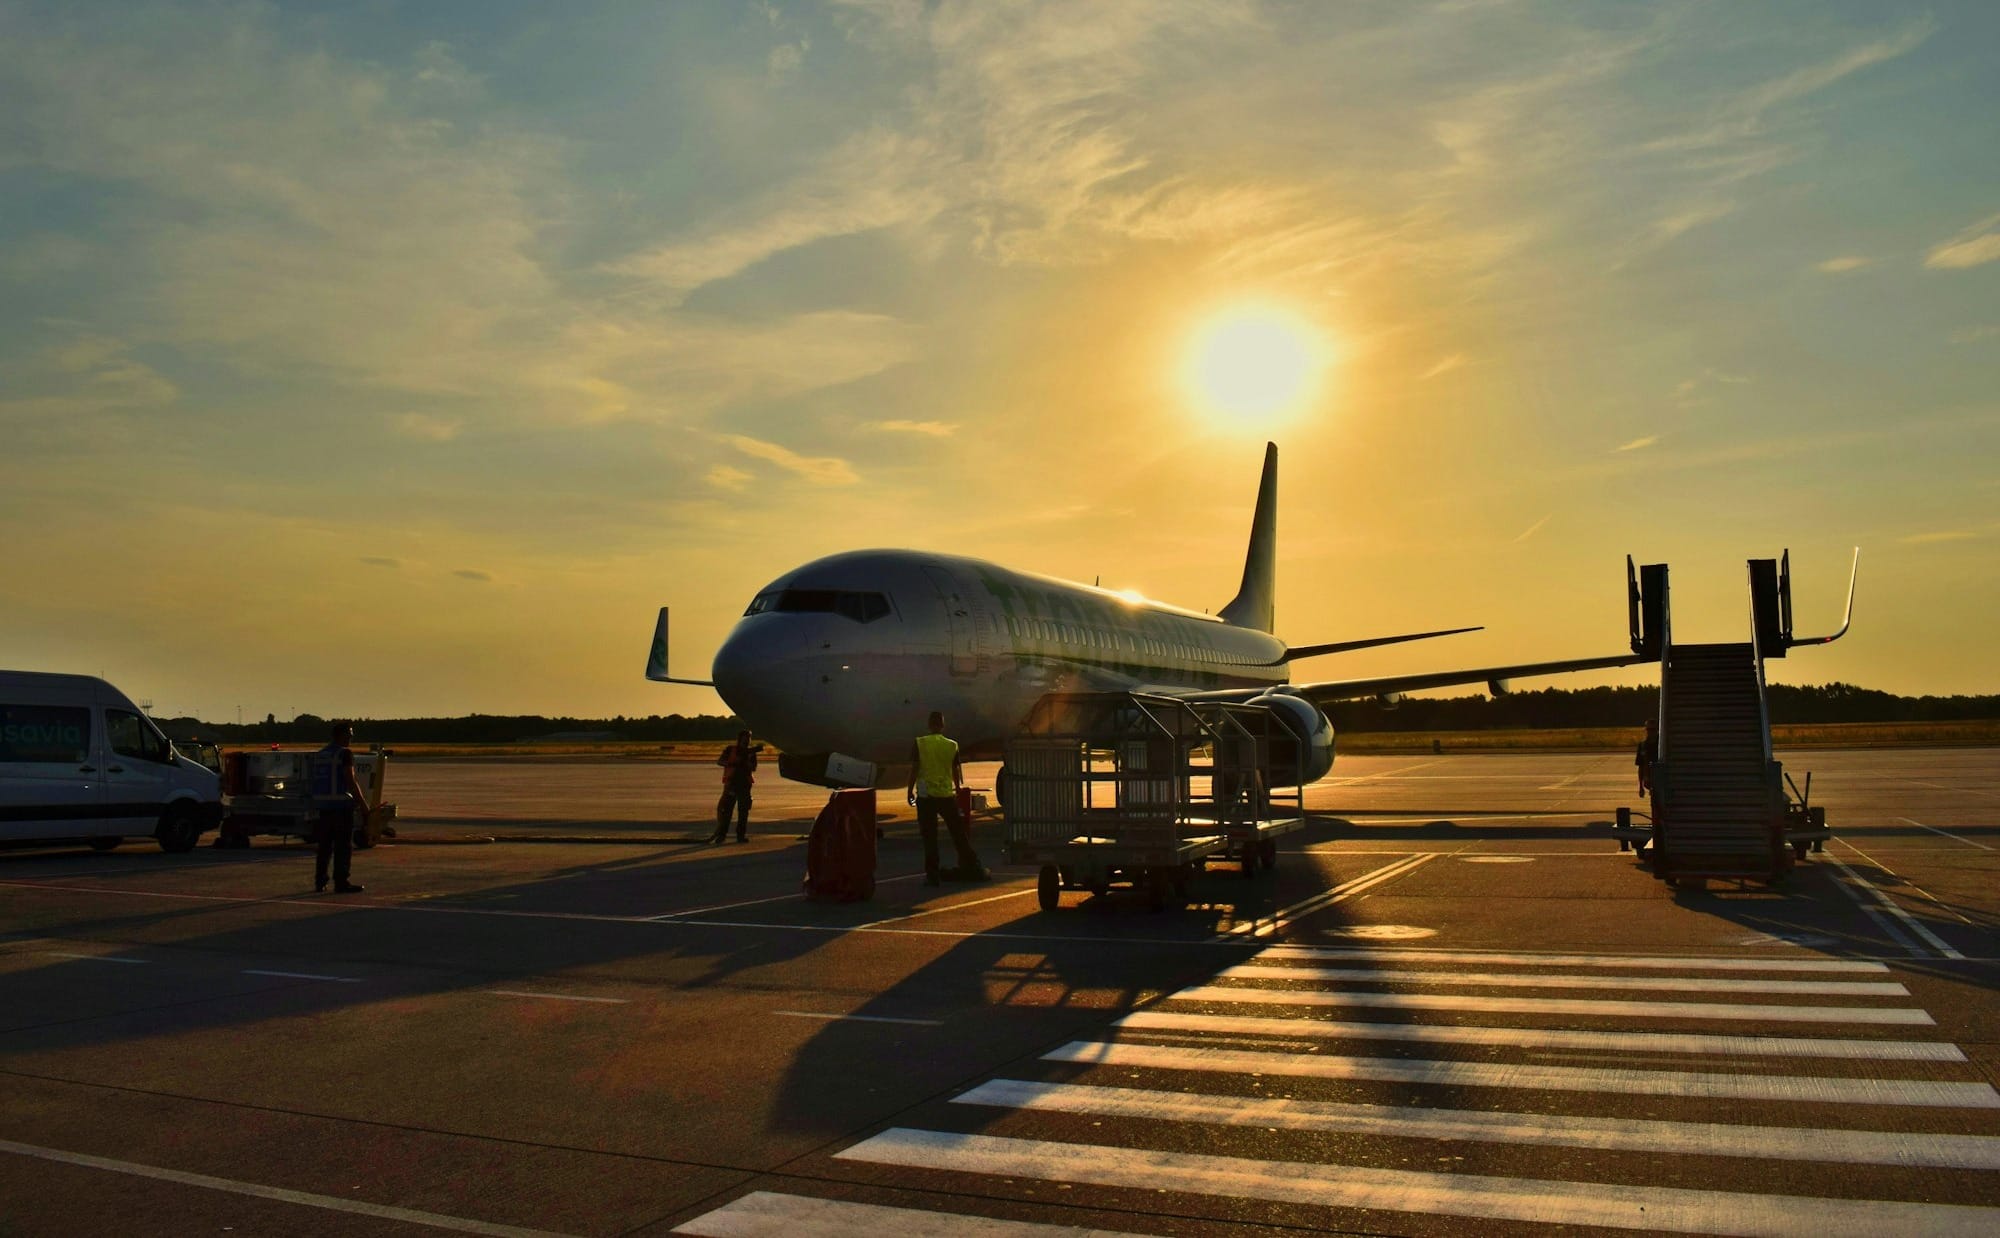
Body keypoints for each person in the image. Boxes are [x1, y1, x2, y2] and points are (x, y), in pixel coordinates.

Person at [906, 711, 986, 886]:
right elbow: (955, 771)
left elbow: (915, 768)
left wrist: (909, 790)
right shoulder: (952, 745)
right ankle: (972, 865)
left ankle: (933, 875)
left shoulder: (920, 743)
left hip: (926, 797)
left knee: (930, 838)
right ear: (943, 725)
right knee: (958, 833)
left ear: (929, 725)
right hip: (945, 795)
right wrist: (957, 789)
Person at [311, 721, 366, 894]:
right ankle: (341, 882)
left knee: (324, 847)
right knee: (343, 847)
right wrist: (363, 804)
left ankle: (320, 881)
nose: (351, 738)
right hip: (341, 807)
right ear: (341, 735)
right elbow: (350, 780)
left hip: (323, 807)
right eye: (349, 734)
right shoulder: (344, 754)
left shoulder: (321, 754)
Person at [713, 730, 759, 843]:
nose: (747, 741)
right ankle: (721, 835)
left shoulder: (751, 753)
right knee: (727, 811)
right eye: (745, 738)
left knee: (743, 812)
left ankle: (740, 835)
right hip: (732, 784)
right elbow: (720, 761)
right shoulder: (731, 750)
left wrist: (746, 762)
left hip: (744, 785)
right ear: (740, 739)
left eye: (748, 738)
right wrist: (732, 763)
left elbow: (753, 768)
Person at [1636, 717, 1658, 797]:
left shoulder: (1662, 746)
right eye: (1649, 729)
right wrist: (1641, 787)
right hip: (1649, 780)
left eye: (1653, 729)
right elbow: (1640, 766)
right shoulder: (1642, 746)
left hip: (1660, 779)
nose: (1651, 732)